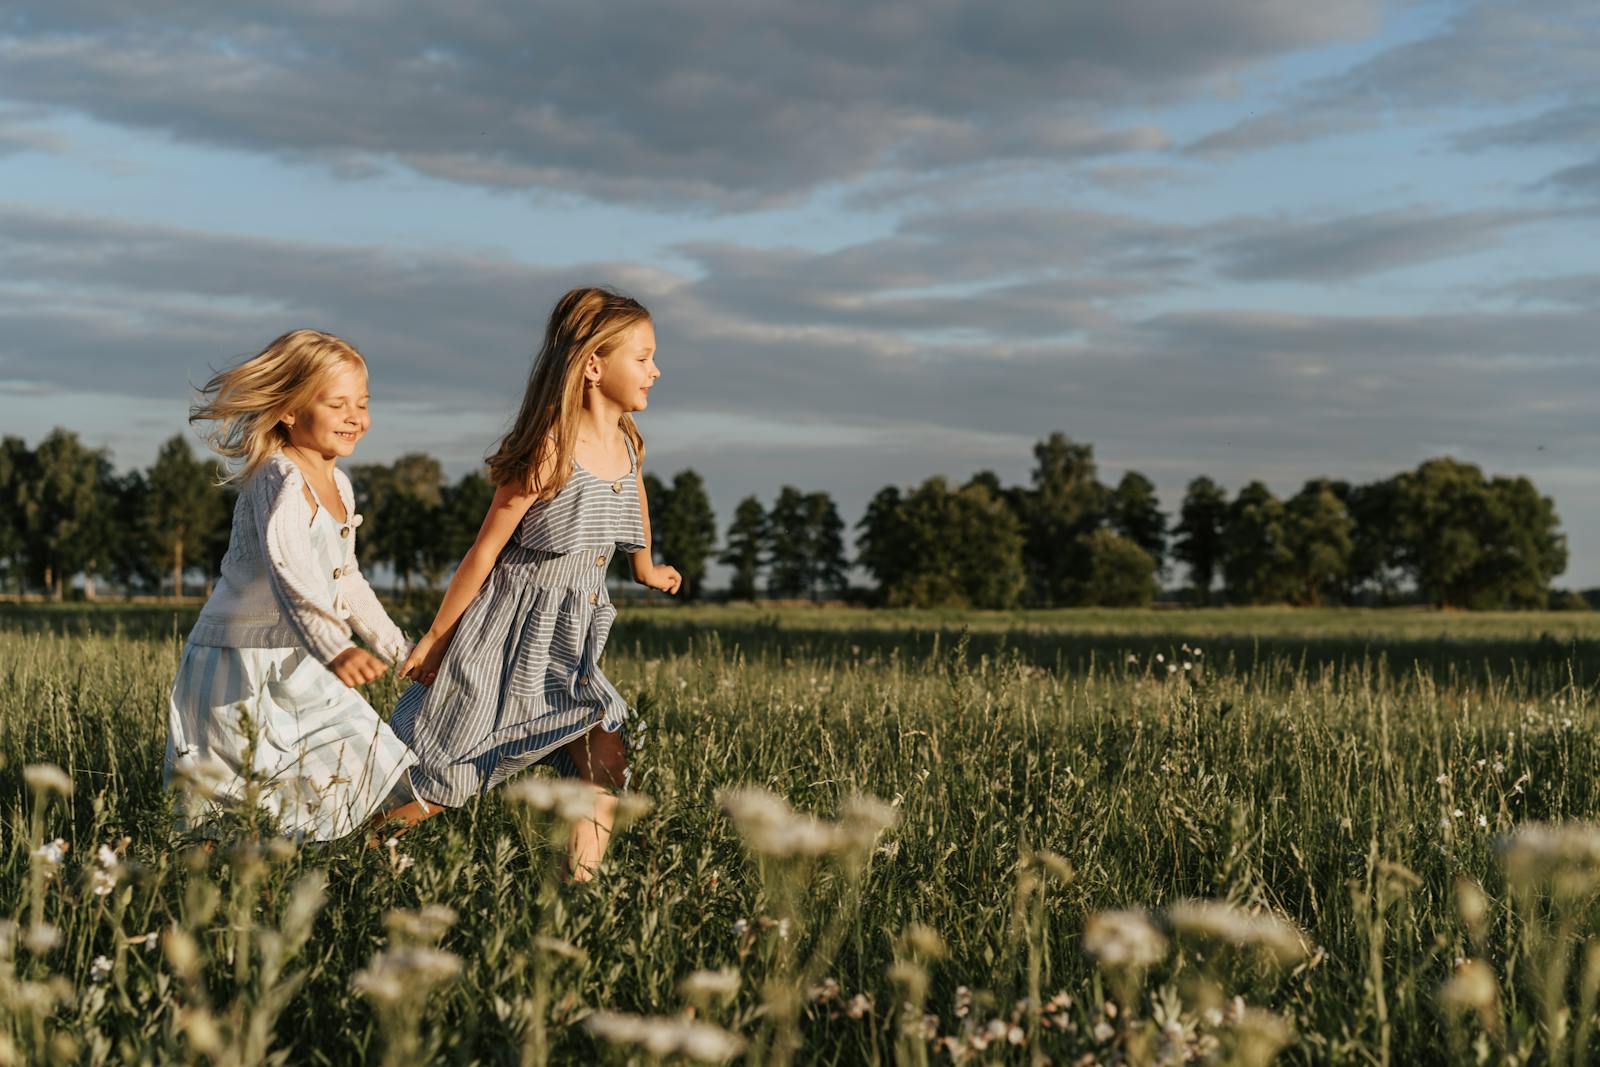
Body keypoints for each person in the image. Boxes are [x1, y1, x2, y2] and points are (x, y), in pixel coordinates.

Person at [381, 287, 681, 880]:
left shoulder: (626, 441)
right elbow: (484, 550)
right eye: (642, 357)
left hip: (569, 642)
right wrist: (438, 639)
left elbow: (634, 492)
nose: (656, 370)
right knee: (452, 771)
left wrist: (642, 565)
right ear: (593, 365)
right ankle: (363, 844)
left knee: (605, 756)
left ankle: (579, 890)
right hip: (508, 635)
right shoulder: (549, 452)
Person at [165, 329, 416, 841]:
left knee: (368, 757)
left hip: (305, 655)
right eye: (337, 403)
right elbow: (289, 572)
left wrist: (399, 650)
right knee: (227, 807)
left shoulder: (341, 485)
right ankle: (196, 894)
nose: (355, 417)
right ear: (289, 410)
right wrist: (336, 648)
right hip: (236, 660)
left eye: (363, 404)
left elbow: (345, 582)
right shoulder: (277, 477)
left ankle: (345, 862)